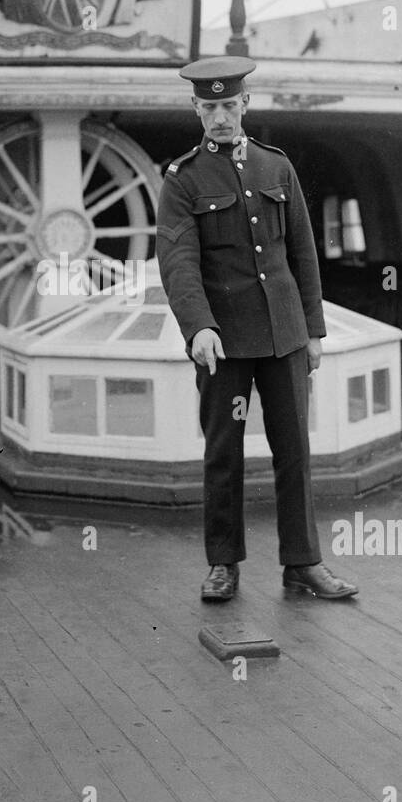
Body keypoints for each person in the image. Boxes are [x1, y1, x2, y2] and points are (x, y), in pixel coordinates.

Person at [156, 56, 358, 603]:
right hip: (223, 341)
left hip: (285, 335)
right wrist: (198, 328)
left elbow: (302, 252)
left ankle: (303, 563)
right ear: (195, 108)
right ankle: (223, 564)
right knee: (224, 453)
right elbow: (178, 262)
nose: (219, 116)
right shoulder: (182, 179)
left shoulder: (277, 167)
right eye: (209, 107)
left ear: (245, 104)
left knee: (294, 449)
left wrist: (312, 330)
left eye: (228, 105)